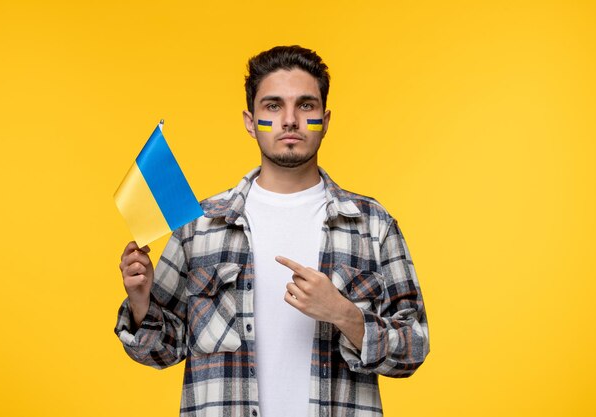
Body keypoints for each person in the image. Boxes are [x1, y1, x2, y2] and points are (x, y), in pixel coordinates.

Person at [115, 45, 430, 417]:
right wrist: (139, 301)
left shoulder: (373, 225)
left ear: (325, 120)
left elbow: (414, 347)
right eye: (273, 106)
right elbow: (161, 351)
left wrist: (344, 314)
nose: (291, 120)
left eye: (306, 106)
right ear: (251, 121)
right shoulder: (199, 226)